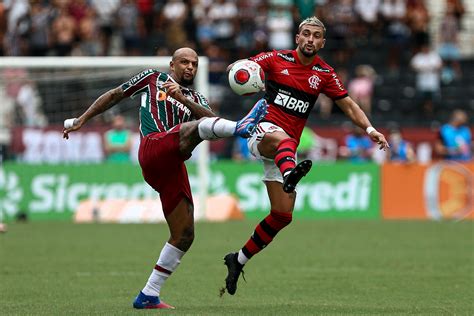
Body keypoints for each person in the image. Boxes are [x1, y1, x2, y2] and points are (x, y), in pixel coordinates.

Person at [62, 47, 268, 309]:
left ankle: (149, 294)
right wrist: (82, 119)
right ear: (172, 65)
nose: (190, 67)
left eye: (194, 63)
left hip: (173, 164)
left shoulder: (195, 96)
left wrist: (183, 99)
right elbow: (116, 94)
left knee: (184, 234)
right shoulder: (152, 78)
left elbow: (211, 120)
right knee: (191, 129)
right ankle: (241, 126)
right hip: (153, 147)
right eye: (184, 62)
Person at [221, 16, 389, 296]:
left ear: (322, 42)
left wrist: (370, 128)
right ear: (297, 38)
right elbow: (241, 67)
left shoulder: (324, 73)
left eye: (316, 36)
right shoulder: (275, 58)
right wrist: (239, 70)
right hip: (262, 132)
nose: (310, 39)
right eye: (306, 34)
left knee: (282, 215)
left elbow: (348, 105)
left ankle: (237, 260)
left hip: (286, 149)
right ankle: (290, 173)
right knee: (282, 139)